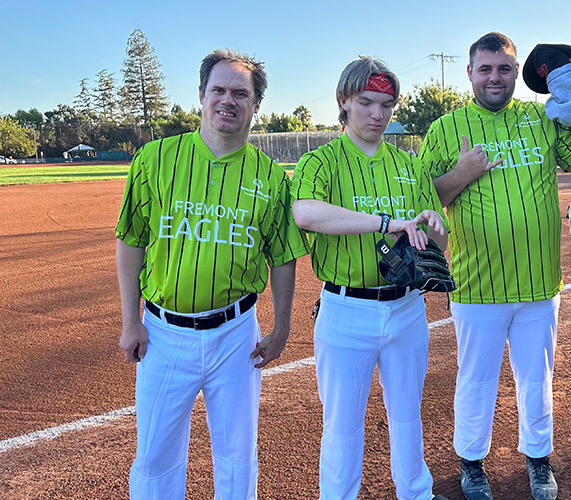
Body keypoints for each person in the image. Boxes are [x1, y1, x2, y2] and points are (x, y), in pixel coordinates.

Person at [419, 32, 571, 500]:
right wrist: (462, 173)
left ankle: (538, 460)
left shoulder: (541, 119)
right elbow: (423, 201)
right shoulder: (445, 128)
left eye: (504, 68)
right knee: (476, 380)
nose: (494, 77)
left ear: (516, 71)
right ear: (469, 73)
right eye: (485, 69)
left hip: (538, 282)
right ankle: (472, 463)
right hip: (476, 285)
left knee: (537, 379)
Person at [115, 48, 308, 499]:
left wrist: (281, 327)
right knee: (156, 455)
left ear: (255, 105)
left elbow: (282, 256)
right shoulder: (155, 159)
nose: (228, 100)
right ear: (201, 95)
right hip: (163, 332)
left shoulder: (271, 177)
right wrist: (129, 320)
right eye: (218, 89)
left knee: (237, 455)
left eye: (240, 93)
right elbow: (131, 240)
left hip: (236, 333)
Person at [290, 56, 449, 500]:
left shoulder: (409, 164)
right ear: (343, 101)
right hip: (346, 308)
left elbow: (437, 237)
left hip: (406, 306)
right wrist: (383, 222)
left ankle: (416, 492)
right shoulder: (320, 162)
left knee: (407, 414)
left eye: (386, 105)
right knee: (342, 422)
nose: (377, 114)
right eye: (366, 102)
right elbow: (305, 213)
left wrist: (434, 225)